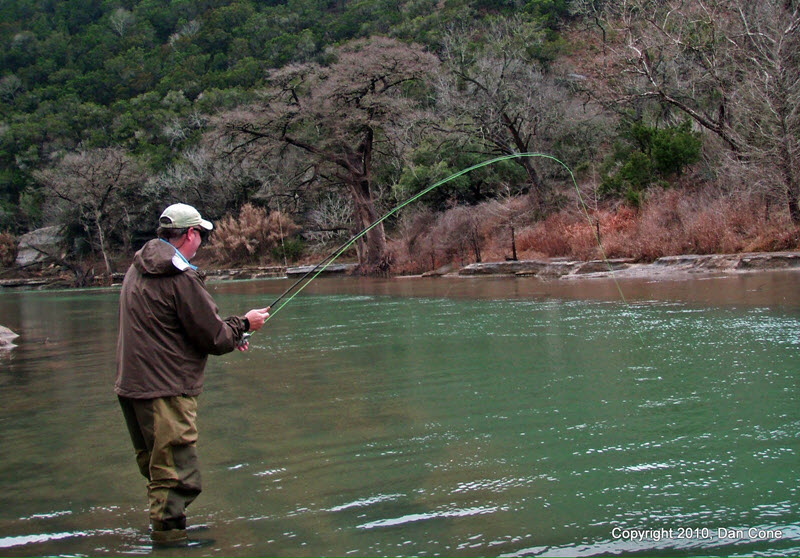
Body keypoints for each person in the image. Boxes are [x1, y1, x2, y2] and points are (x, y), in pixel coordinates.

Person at [114, 203, 270, 546]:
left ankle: (170, 529)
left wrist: (233, 333)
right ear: (189, 234)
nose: (202, 240)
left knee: (158, 470)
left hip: (132, 388)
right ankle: (170, 544)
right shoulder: (178, 277)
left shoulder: (136, 269)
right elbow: (213, 336)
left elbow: (175, 329)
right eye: (201, 233)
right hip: (164, 391)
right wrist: (245, 324)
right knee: (176, 475)